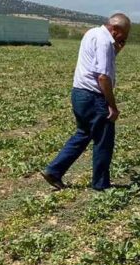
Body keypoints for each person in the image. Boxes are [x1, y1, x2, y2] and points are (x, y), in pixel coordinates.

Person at [42, 13, 131, 192]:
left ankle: (54, 170)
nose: (125, 39)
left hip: (79, 94)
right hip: (93, 97)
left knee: (83, 134)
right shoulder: (105, 42)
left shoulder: (92, 33)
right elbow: (103, 77)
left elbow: (97, 63)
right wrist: (112, 106)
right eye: (124, 34)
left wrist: (116, 51)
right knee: (104, 140)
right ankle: (101, 184)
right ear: (116, 30)